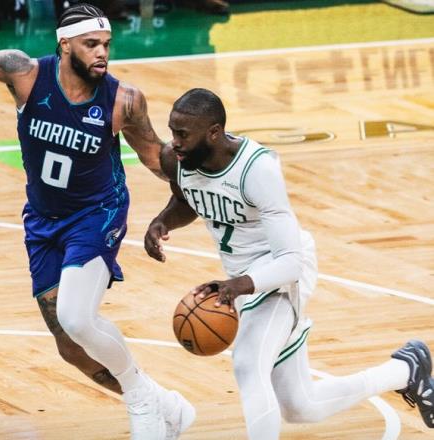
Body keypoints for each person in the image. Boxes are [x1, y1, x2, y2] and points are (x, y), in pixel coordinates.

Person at [0, 3, 195, 439]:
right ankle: (161, 402)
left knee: (76, 317)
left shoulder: (124, 100)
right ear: (65, 44)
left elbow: (155, 158)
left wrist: (208, 179)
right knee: (70, 346)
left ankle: (140, 399)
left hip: (98, 213)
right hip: (42, 219)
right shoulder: (24, 73)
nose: (102, 53)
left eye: (106, 44)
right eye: (91, 44)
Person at [144, 88, 434, 439]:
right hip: (242, 281)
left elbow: (291, 262)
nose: (174, 142)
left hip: (279, 273)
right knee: (301, 406)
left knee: (248, 364)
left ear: (214, 133)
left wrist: (239, 285)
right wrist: (163, 221)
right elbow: (188, 198)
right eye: (173, 132)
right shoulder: (179, 161)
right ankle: (405, 369)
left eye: (183, 134)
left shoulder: (256, 169)